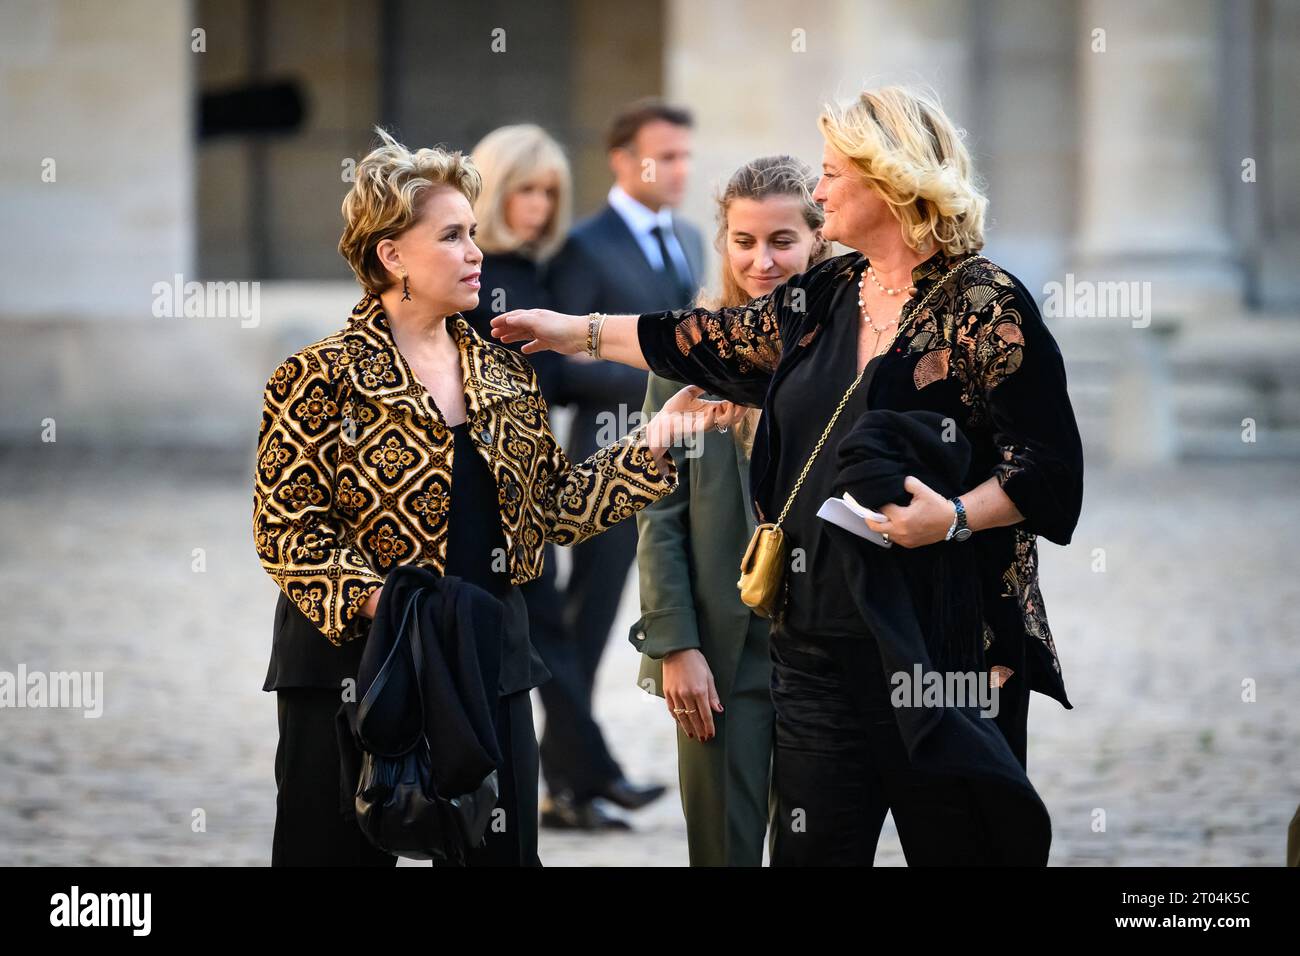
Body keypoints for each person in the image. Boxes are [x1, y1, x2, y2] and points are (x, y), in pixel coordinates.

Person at [492, 86, 1085, 866]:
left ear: (892, 182)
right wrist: (575, 332)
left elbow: (1048, 471)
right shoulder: (829, 294)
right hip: (815, 645)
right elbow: (707, 338)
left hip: (944, 646)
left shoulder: (987, 303)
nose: (820, 188)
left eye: (836, 173)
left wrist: (955, 517)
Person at [253, 127, 736, 866]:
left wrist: (656, 440)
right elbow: (288, 535)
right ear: (391, 255)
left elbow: (554, 511)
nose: (477, 251)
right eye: (452, 236)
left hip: (488, 656)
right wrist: (398, 606)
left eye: (474, 233)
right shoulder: (316, 377)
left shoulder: (505, 373)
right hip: (351, 665)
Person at [632, 155, 830, 865]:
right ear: (722, 242)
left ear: (819, 240)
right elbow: (658, 516)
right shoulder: (686, 354)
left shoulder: (850, 353)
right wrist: (675, 645)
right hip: (718, 649)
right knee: (723, 850)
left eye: (782, 241)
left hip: (826, 646)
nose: (762, 260)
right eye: (743, 241)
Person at [539, 98, 707, 827]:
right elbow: (562, 368)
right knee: (586, 625)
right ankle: (568, 778)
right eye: (662, 157)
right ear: (621, 159)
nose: (677, 170)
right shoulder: (583, 246)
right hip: (606, 464)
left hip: (696, 465)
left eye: (684, 156)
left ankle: (584, 773)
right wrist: (666, 383)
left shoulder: (696, 240)